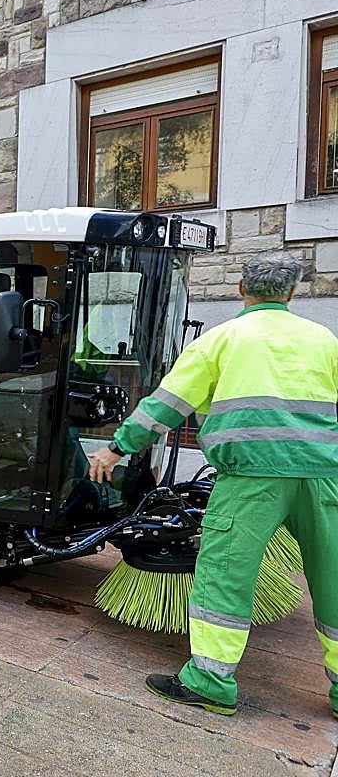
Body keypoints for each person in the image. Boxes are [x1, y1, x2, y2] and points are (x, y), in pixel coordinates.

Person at [87, 251, 338, 718]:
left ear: (242, 290)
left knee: (226, 574)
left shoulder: (223, 339)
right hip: (324, 477)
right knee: (334, 578)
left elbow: (165, 406)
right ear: (292, 292)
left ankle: (210, 681)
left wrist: (116, 449)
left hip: (249, 479)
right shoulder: (323, 339)